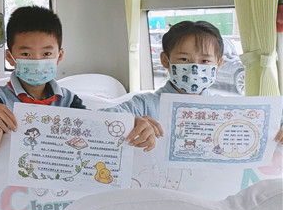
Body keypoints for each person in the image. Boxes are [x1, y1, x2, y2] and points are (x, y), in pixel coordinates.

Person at [0, 5, 161, 157]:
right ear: (10, 57)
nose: (37, 61)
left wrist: (129, 123)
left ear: (59, 56)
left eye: (46, 53)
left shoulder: (69, 100)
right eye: (26, 54)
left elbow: (93, 128)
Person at [108, 20, 283, 143]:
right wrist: (130, 121)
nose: (194, 68)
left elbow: (270, 120)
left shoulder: (226, 108)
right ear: (165, 60)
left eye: (205, 61)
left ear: (218, 64)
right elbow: (94, 120)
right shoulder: (144, 105)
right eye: (184, 59)